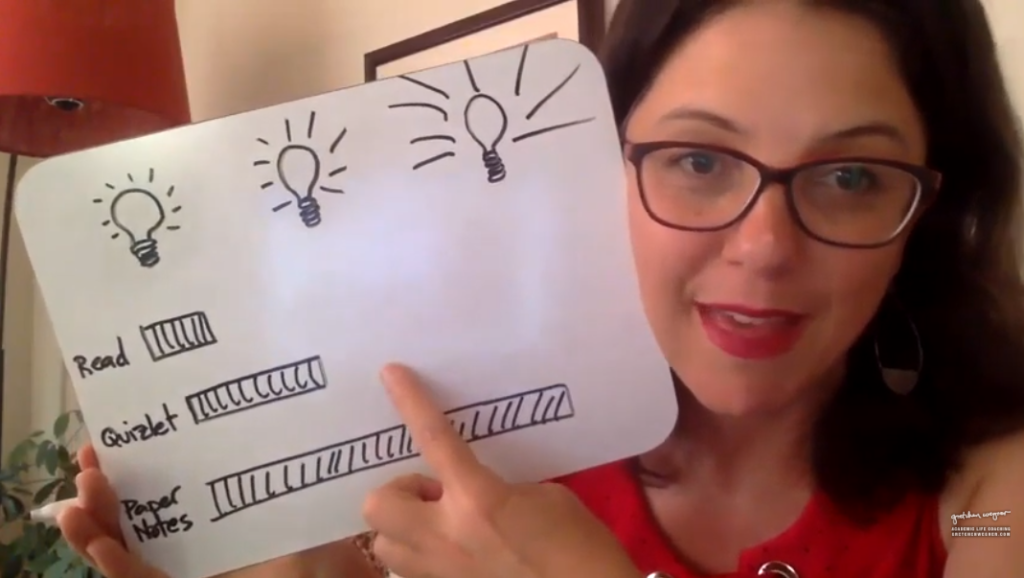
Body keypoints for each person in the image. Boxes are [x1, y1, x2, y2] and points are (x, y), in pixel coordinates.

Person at [58, 0, 1024, 576]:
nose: (765, 247)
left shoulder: (989, 502)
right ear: (603, 167)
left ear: (931, 212)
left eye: (851, 177)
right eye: (697, 160)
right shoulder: (485, 450)